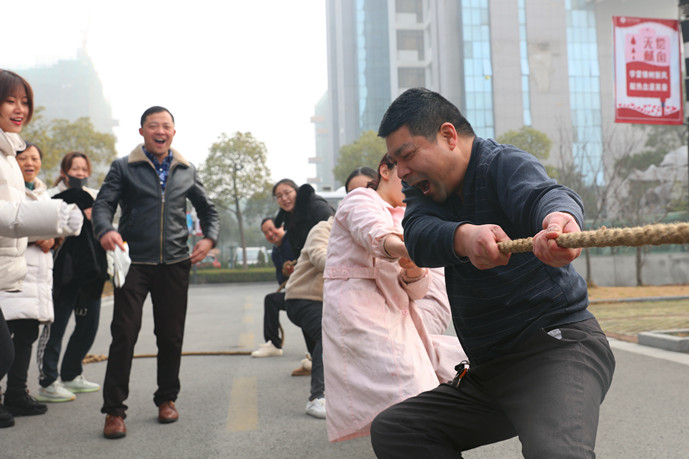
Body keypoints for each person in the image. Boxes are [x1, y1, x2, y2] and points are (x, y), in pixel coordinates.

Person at [370, 88, 616, 458]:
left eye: (407, 155)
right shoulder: (424, 191)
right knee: (399, 430)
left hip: (557, 348)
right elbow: (418, 236)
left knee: (556, 454)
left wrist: (559, 221)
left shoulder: (502, 164)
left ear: (449, 136)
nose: (400, 171)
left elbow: (545, 195)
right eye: (396, 162)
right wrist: (464, 236)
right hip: (491, 372)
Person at [93, 106, 219, 439]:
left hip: (176, 264)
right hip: (133, 262)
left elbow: (208, 209)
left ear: (173, 132)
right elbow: (103, 204)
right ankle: (114, 411)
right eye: (153, 126)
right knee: (124, 333)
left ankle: (167, 399)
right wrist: (105, 229)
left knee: (170, 335)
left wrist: (210, 238)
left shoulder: (186, 169)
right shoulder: (124, 167)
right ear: (142, 132)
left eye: (166, 126)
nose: (159, 131)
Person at [322, 154, 465, 442]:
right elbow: (375, 233)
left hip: (397, 316)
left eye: (419, 181)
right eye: (407, 176)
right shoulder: (360, 199)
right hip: (362, 314)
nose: (413, 185)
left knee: (414, 400)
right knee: (413, 398)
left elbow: (417, 290)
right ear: (384, 170)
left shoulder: (408, 216)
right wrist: (404, 249)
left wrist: (414, 270)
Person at [0, 69, 83, 428]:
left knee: (16, 342)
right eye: (10, 100)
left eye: (25, 102)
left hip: (17, 274)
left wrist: (55, 227)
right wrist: (54, 219)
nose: (20, 109)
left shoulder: (8, 156)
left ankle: (16, 393)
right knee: (4, 349)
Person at [36, 152, 107, 403]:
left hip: (91, 274)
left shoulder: (96, 195)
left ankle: (71, 374)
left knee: (88, 326)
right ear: (64, 171)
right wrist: (77, 197)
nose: (78, 173)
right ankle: (48, 381)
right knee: (56, 329)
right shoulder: (50, 196)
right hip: (64, 275)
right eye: (73, 168)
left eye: (82, 168)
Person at [0, 143, 55, 419]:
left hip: (35, 279)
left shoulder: (44, 193)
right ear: (13, 161)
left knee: (26, 336)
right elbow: (9, 222)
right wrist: (38, 235)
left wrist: (54, 237)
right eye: (23, 158)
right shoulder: (8, 189)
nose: (30, 163)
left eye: (35, 158)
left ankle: (17, 393)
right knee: (4, 343)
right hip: (10, 275)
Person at [251, 217, 314, 376]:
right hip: (294, 292)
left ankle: (315, 356)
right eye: (266, 233)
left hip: (310, 291)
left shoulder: (292, 241)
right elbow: (281, 279)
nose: (271, 234)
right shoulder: (276, 253)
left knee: (306, 313)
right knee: (271, 300)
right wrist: (287, 271)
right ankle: (273, 343)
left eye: (272, 229)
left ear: (281, 227)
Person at [284, 216, 333, 419]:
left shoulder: (363, 232)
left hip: (327, 303)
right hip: (303, 298)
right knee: (327, 336)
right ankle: (316, 398)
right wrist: (348, 268)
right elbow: (318, 255)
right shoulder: (324, 229)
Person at [273, 178, 334, 260]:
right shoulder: (289, 217)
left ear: (296, 191)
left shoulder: (317, 207)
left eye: (287, 193)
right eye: (279, 196)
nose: (284, 198)